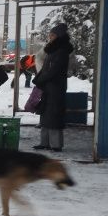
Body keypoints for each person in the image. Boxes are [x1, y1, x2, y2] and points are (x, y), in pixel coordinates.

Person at [32, 23, 74, 152]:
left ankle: (55, 144)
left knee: (54, 115)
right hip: (49, 87)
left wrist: (40, 78)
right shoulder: (53, 49)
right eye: (50, 35)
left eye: (52, 35)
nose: (50, 37)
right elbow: (47, 67)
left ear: (59, 36)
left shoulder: (61, 51)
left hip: (56, 87)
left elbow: (53, 70)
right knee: (45, 114)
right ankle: (45, 142)